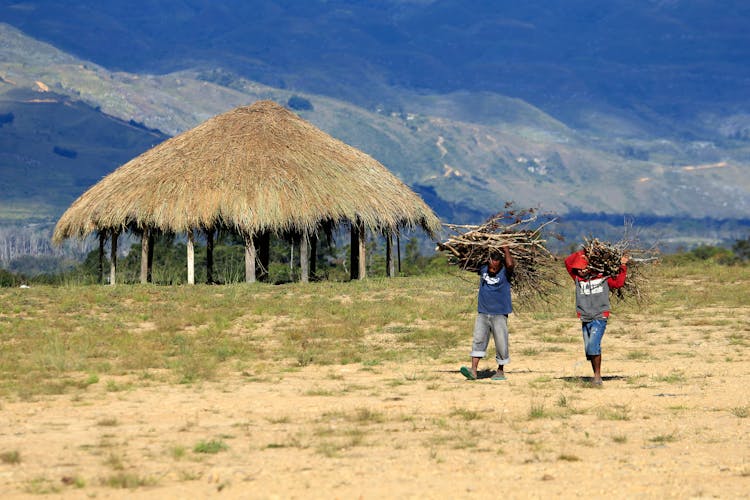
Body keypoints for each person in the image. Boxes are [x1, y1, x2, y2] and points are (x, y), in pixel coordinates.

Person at [564, 248, 629, 385]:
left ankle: (597, 377)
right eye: (578, 268)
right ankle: (596, 374)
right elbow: (567, 262)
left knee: (594, 344)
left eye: (583, 268)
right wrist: (584, 252)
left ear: (590, 267)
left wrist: (623, 266)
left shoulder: (602, 277)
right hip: (585, 316)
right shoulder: (577, 279)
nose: (581, 271)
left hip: (600, 316)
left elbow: (618, 283)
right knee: (589, 349)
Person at [460, 247, 515, 381]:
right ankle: (473, 370)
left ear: (500, 264)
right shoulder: (483, 268)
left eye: (495, 268)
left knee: (501, 342)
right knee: (478, 339)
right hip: (483, 312)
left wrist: (506, 249)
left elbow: (510, 264)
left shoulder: (505, 272)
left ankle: (500, 371)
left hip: (500, 313)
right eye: (491, 266)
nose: (492, 270)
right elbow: (465, 260)